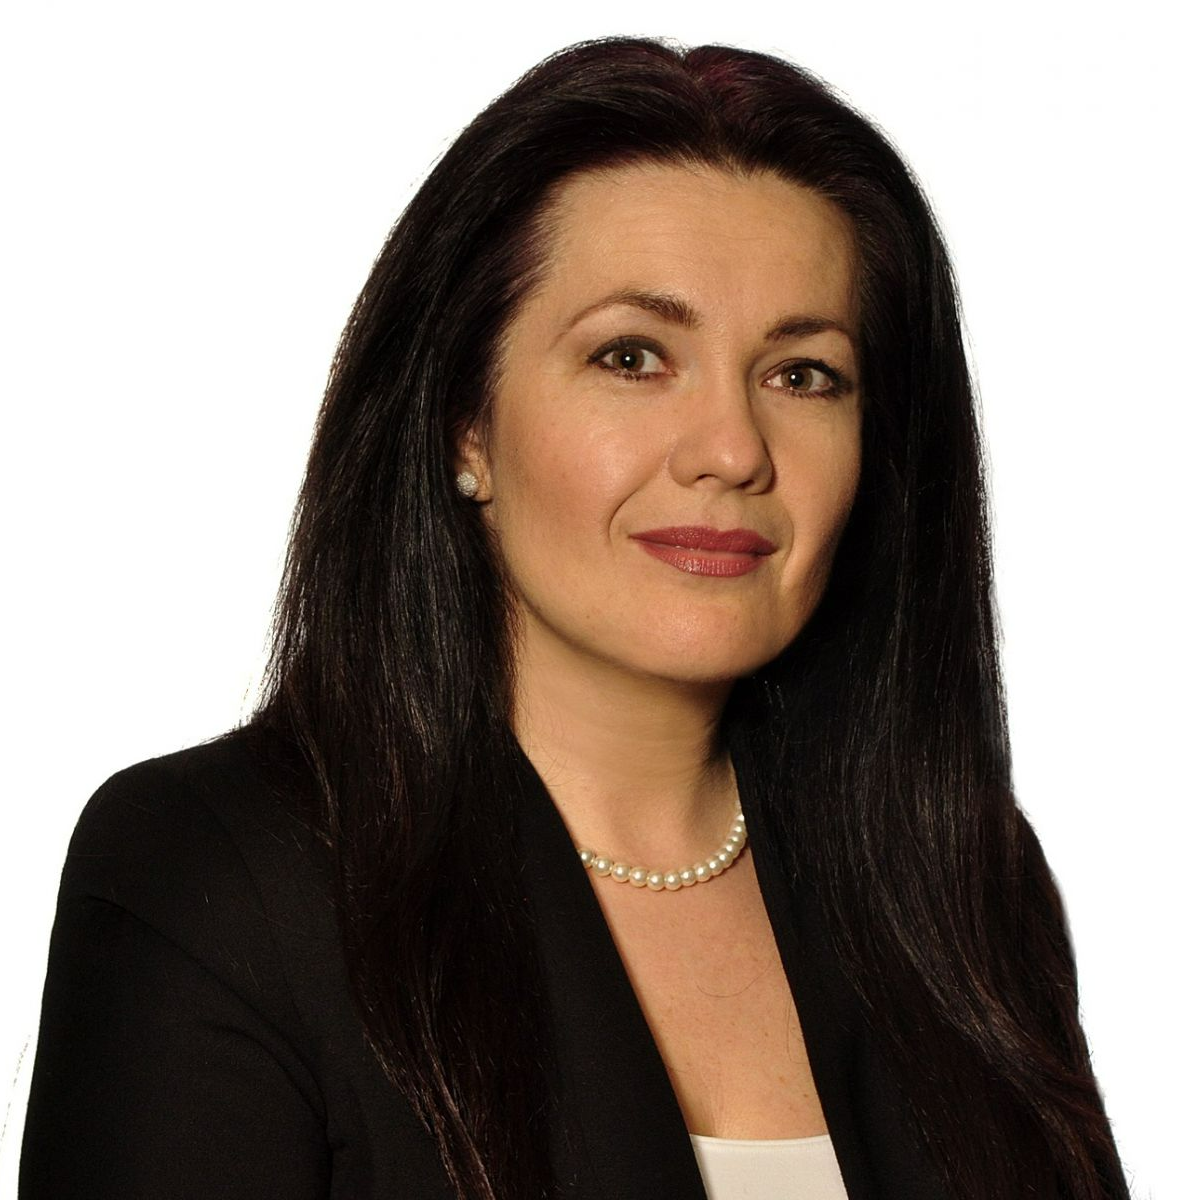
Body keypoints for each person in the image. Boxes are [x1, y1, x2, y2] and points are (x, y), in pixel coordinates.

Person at [19, 35, 1129, 1200]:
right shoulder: (223, 876)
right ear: (465, 424)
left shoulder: (961, 880)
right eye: (633, 356)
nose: (733, 450)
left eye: (802, 374)